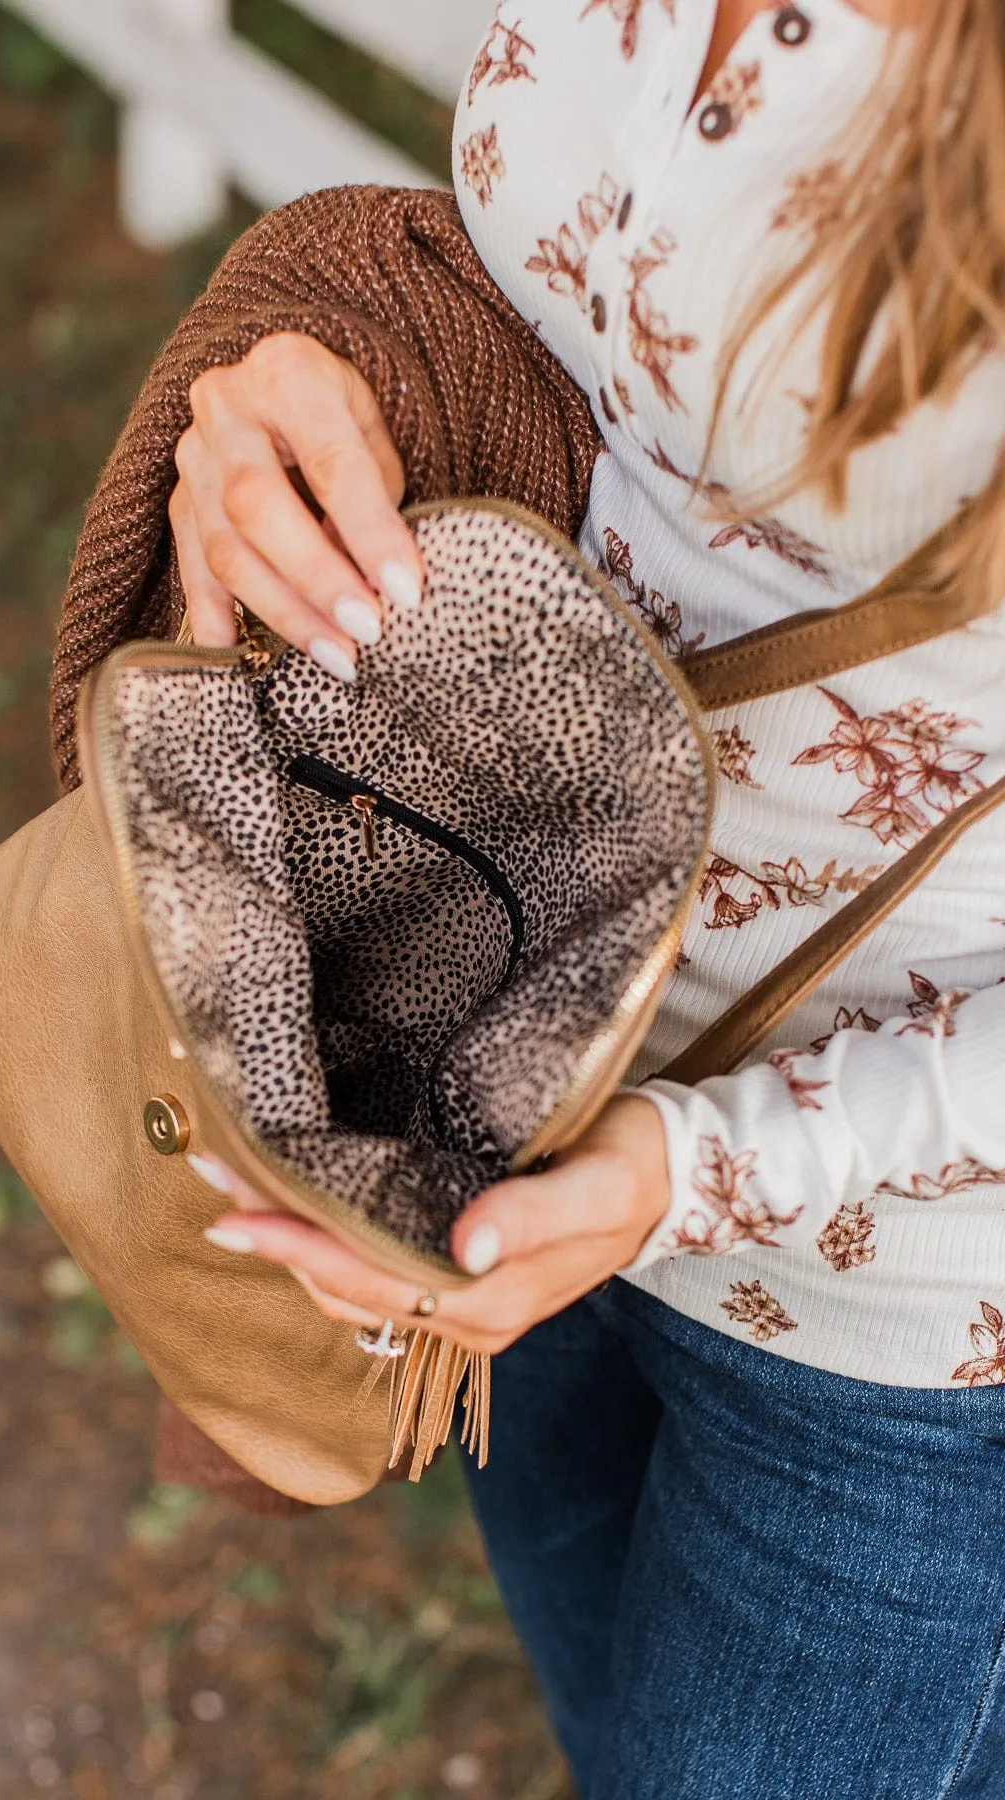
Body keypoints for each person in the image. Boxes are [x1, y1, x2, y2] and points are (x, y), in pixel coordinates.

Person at [164, 3, 1005, 1793]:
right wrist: (285, 382)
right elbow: (560, 307)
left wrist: (697, 1172)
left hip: (903, 1329)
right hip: (507, 1076)